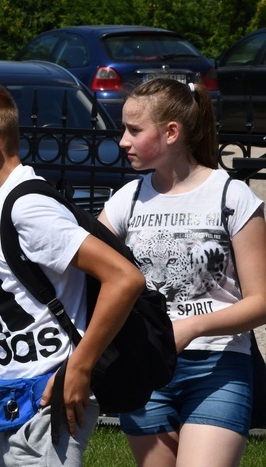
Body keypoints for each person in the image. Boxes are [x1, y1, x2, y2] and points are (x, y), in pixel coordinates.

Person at [0, 78, 145, 466]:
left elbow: (125, 278)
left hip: (49, 393)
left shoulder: (27, 209)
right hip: (16, 391)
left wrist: (78, 366)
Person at [98, 78, 266, 467]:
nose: (123, 140)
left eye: (134, 130)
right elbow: (87, 267)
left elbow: (261, 302)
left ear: (172, 133)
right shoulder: (128, 199)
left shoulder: (232, 196)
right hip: (145, 369)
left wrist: (190, 327)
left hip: (219, 368)